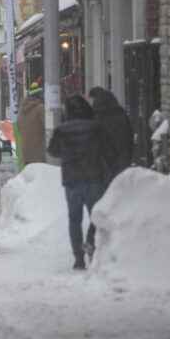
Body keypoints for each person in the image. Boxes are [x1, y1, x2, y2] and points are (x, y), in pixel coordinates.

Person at [47, 95, 117, 271]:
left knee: (74, 219)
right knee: (96, 215)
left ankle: (78, 258)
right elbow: (109, 150)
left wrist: (68, 153)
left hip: (71, 179)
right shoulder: (97, 128)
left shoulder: (61, 130)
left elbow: (53, 151)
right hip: (94, 177)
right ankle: (91, 243)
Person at [88, 86, 134, 188]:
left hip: (103, 165)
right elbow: (129, 137)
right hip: (122, 161)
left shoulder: (96, 118)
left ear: (95, 99)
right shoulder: (121, 114)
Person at [17, 82, 46, 167]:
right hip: (39, 153)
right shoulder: (40, 108)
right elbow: (48, 127)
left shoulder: (22, 110)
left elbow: (19, 126)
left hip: (25, 153)